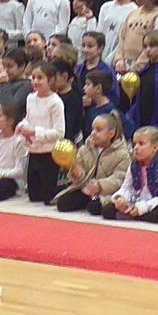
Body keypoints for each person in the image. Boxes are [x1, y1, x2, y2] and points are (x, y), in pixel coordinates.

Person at [54, 111, 131, 214]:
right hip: (86, 189)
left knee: (94, 208)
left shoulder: (122, 154)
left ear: (111, 134)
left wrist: (100, 185)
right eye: (92, 129)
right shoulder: (84, 149)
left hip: (107, 192)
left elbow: (119, 178)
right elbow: (80, 173)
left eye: (98, 130)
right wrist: (77, 174)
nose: (93, 133)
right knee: (63, 204)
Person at [103, 126, 158, 224]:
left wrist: (142, 208)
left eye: (141, 144)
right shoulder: (133, 165)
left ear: (155, 148)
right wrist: (121, 198)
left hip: (155, 204)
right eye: (134, 144)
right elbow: (126, 187)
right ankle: (134, 215)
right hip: (137, 201)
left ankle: (134, 216)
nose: (136, 148)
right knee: (107, 209)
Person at [20, 61, 68, 203]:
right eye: (33, 77)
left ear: (51, 80)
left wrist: (35, 132)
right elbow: (28, 118)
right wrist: (22, 126)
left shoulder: (55, 102)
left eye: (40, 78)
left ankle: (65, 187)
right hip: (34, 151)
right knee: (33, 197)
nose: (35, 81)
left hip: (49, 153)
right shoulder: (30, 98)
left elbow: (60, 132)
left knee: (47, 197)